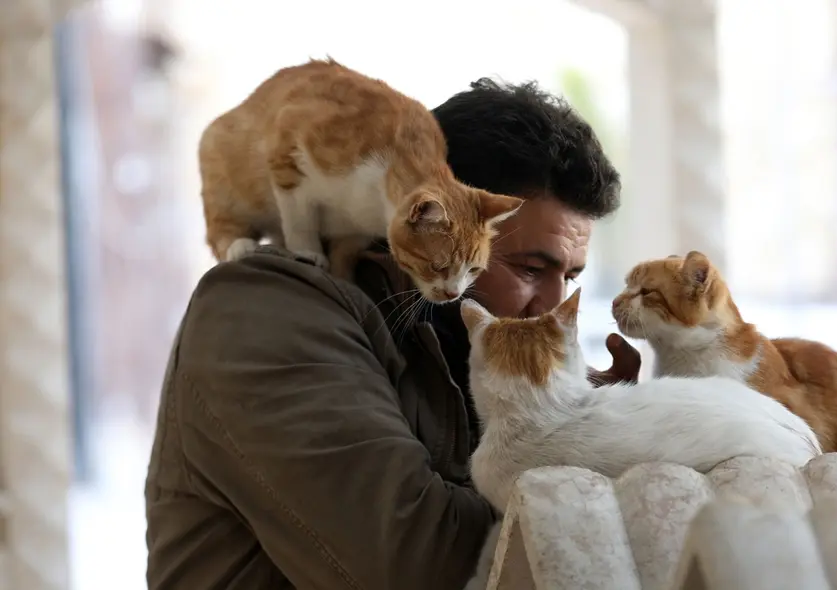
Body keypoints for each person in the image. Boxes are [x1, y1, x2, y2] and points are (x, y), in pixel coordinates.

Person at [145, 78, 640, 590]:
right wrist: (588, 464)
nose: (553, 308)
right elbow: (419, 561)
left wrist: (581, 422)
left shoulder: (460, 348)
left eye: (570, 278)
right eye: (530, 269)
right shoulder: (266, 311)